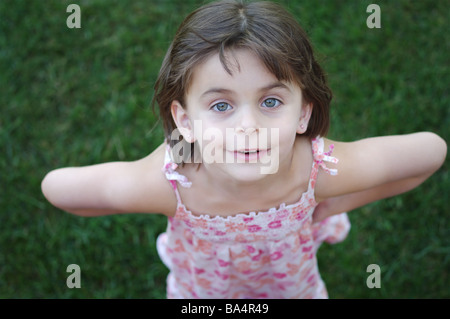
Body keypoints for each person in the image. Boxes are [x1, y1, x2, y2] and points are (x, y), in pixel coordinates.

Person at [41, 0, 447, 298]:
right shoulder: (169, 182)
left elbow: (430, 152)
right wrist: (139, 198)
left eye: (271, 102)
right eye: (221, 105)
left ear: (303, 114)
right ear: (184, 121)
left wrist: (335, 204)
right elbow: (59, 188)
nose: (248, 128)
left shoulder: (319, 170)